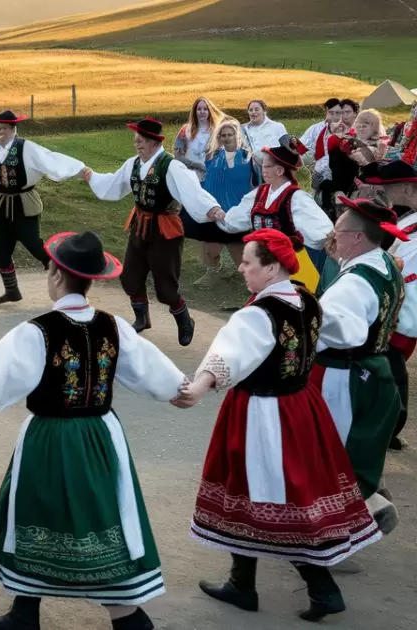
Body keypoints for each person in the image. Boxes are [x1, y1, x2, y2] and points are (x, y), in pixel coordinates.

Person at [0, 231, 187, 630]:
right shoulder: (114, 326)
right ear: (91, 279)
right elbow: (159, 376)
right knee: (103, 511)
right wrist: (181, 390)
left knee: (36, 509)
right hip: (101, 436)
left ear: (55, 274)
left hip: (49, 438)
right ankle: (28, 612)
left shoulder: (38, 330)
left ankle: (128, 617)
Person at [174, 229, 380, 623]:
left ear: (271, 268)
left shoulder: (257, 314)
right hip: (302, 408)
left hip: (262, 414)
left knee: (269, 494)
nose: (242, 267)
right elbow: (349, 332)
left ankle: (322, 589)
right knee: (266, 490)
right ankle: (242, 583)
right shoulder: (306, 300)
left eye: (249, 262)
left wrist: (197, 388)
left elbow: (228, 352)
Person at [311, 195, 409, 534]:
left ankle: (348, 526)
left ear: (357, 237)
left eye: (338, 231)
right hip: (374, 369)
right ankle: (369, 499)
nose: (332, 236)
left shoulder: (352, 284)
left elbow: (335, 332)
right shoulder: (383, 263)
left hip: (344, 376)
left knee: (329, 450)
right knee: (352, 445)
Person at [81, 118, 223, 346]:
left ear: (156, 143)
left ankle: (185, 321)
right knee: (130, 276)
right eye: (137, 140)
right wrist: (93, 178)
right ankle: (142, 318)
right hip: (140, 225)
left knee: (166, 285)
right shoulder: (133, 164)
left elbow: (192, 191)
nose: (138, 144)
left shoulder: (172, 166)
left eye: (143, 140)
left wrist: (211, 208)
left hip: (165, 230)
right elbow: (114, 184)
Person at [0, 109, 86, 304]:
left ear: (13, 130)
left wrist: (79, 170)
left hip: (24, 203)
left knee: (34, 245)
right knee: (0, 252)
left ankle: (65, 283)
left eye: (3, 128)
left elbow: (50, 159)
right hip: (2, 204)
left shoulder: (26, 148)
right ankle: (12, 291)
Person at [217, 136, 333, 290]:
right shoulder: (259, 194)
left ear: (279, 170)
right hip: (265, 261)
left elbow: (322, 232)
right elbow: (233, 222)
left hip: (292, 264)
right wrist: (215, 213)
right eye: (263, 166)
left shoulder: (297, 198)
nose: (262, 170)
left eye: (266, 166)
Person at [359, 160, 417, 451]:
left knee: (390, 364)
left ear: (407, 187)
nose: (384, 192)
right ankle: (389, 425)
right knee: (390, 362)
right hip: (399, 304)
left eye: (388, 187)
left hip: (406, 307)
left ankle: (389, 425)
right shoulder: (408, 218)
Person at [174, 97, 232, 286]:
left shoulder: (217, 131)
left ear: (209, 111)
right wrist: (196, 165)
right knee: (187, 219)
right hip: (190, 180)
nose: (202, 112)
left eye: (205, 109)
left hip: (212, 180)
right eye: (198, 109)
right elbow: (178, 155)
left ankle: (214, 265)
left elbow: (226, 152)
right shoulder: (185, 130)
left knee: (211, 218)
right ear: (194, 111)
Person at [197, 119, 258, 278]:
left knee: (240, 253)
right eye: (223, 135)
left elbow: (258, 183)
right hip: (216, 210)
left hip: (238, 211)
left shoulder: (248, 157)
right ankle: (212, 273)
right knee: (210, 249)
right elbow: (201, 180)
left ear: (236, 136)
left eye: (230, 134)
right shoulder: (211, 158)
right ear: (219, 138)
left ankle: (249, 277)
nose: (227, 137)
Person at [300, 99, 344, 205]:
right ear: (326, 112)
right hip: (317, 169)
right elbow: (301, 146)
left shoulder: (344, 129)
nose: (334, 117)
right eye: (331, 113)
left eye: (338, 113)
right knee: (309, 193)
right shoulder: (316, 129)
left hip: (337, 171)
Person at [241, 100, 288, 166]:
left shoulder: (278, 126)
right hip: (255, 165)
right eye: (250, 110)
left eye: (257, 109)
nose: (253, 112)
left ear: (264, 111)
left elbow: (287, 147)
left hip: (277, 162)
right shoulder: (244, 129)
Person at [385, 101, 417, 166]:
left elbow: (409, 137)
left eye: (414, 109)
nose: (413, 111)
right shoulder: (410, 124)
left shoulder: (413, 124)